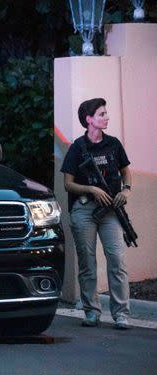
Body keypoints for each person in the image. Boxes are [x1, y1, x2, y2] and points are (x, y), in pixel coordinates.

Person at [61, 98, 132, 330]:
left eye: (105, 113)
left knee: (117, 258)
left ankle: (121, 313)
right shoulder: (77, 147)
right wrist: (91, 189)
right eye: (101, 114)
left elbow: (125, 171)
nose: (106, 117)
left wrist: (126, 190)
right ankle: (91, 311)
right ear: (89, 119)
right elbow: (68, 184)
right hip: (85, 208)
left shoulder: (113, 144)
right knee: (87, 262)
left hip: (111, 208)